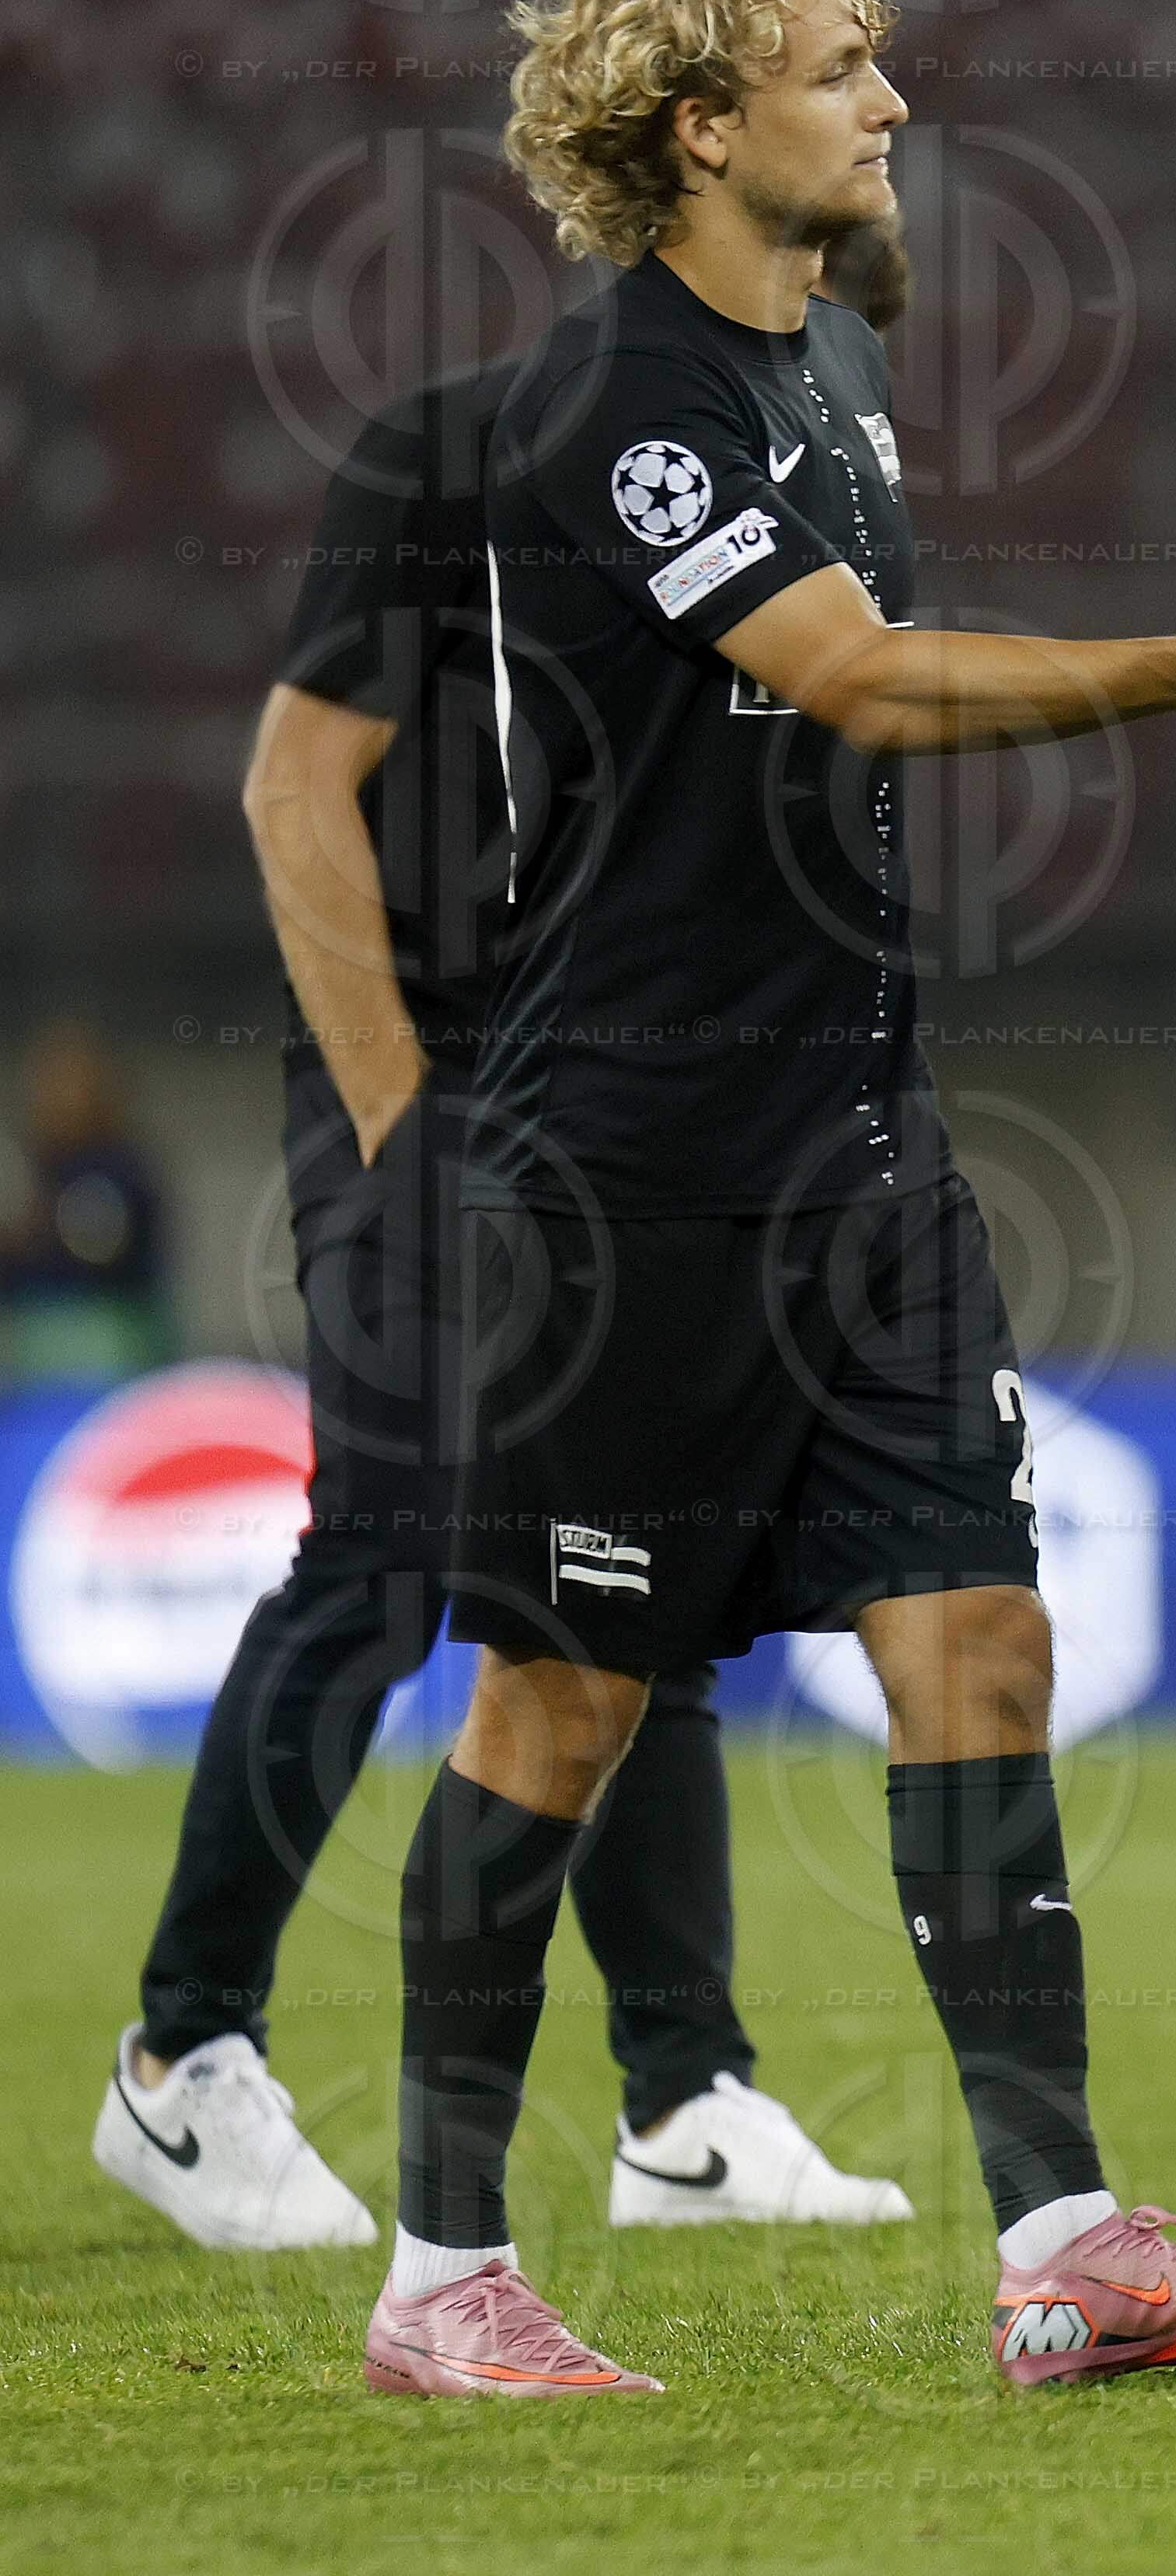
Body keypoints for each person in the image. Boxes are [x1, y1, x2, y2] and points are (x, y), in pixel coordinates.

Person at [357, 0, 1176, 2400]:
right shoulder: (617, 397)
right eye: (841, 65)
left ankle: (1059, 2239)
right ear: (702, 125)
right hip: (635, 1167)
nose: (895, 94)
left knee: (981, 1637)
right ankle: (442, 2276)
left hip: (853, 1148)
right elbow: (861, 687)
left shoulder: (826, 371)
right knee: (561, 1711)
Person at [96, 216, 922, 2257]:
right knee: (386, 1554)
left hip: (636, 1096)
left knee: (637, 1568)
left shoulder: (818, 431)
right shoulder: (453, 451)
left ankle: (686, 2101)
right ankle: (182, 2063)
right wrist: (390, 1112)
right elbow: (302, 786)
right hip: (445, 1083)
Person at [3, 1017, 175, 1381]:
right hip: (33, 1365)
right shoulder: (41, 1167)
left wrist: (27, 1242)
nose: (56, 1096)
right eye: (48, 1084)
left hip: (111, 1360)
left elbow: (97, 1258)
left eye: (70, 1083)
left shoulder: (122, 1171)